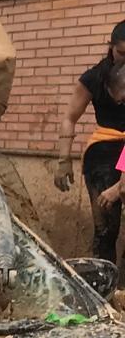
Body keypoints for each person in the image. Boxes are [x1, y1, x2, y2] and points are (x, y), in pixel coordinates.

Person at [57, 20, 125, 259]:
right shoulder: (94, 77)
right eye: (121, 53)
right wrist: (63, 160)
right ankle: (102, 289)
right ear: (111, 47)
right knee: (105, 231)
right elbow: (69, 117)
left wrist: (120, 187)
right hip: (103, 155)